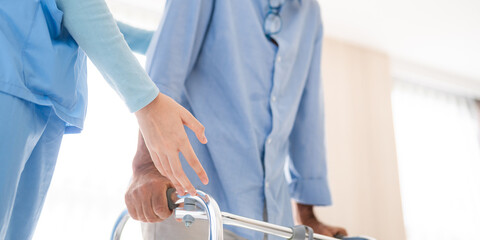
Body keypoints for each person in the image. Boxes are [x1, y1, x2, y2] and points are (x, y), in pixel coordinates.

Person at [123, 0, 348, 239]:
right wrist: (147, 167)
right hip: (192, 208)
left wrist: (308, 216)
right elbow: (164, 74)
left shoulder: (309, 14)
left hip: (271, 223)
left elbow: (308, 118)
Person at [0, 0, 208, 239]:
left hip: (41, 91)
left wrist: (178, 44)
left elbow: (77, 14)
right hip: (11, 72)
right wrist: (148, 103)